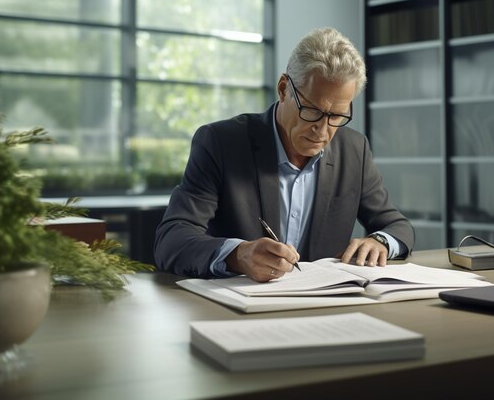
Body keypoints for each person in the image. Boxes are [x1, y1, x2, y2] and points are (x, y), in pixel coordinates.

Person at [154, 27, 414, 282]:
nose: (322, 130)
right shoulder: (220, 143)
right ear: (283, 88)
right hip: (238, 309)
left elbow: (397, 226)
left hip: (325, 307)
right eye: (312, 110)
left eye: (336, 116)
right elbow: (171, 240)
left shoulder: (354, 149)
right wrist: (238, 255)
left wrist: (379, 241)